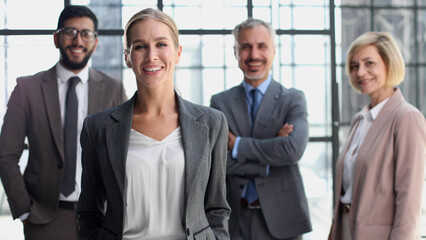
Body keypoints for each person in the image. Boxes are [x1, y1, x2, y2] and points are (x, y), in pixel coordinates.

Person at [77, 8, 230, 240]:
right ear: (127, 57)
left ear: (178, 52)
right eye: (140, 46)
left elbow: (217, 208)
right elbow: (89, 213)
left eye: (161, 44)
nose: (151, 56)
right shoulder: (98, 128)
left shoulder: (212, 123)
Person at [0, 5, 127, 240]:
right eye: (70, 32)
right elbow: (6, 154)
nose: (78, 40)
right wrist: (24, 209)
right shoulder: (27, 89)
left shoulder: (113, 89)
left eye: (86, 33)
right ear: (56, 38)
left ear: (95, 42)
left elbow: (127, 152)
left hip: (102, 217)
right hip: (44, 218)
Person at [210, 18, 312, 240]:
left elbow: (292, 150)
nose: (254, 55)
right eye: (245, 47)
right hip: (233, 220)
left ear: (274, 51)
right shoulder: (220, 103)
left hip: (282, 219)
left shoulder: (293, 99)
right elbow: (218, 161)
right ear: (235, 52)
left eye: (261, 46)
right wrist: (272, 149)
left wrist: (237, 144)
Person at [328, 32, 426, 240]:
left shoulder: (407, 118)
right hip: (346, 230)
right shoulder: (360, 119)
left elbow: (410, 198)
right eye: (354, 66)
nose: (360, 72)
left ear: (389, 64)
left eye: (369, 63)